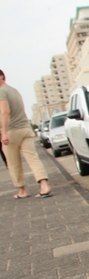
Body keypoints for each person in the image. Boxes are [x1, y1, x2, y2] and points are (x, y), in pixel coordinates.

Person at [0, 69, 52, 198]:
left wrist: (4, 132)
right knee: (33, 158)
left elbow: (5, 112)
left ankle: (22, 191)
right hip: (26, 129)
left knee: (13, 163)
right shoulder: (14, 90)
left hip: (11, 131)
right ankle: (44, 186)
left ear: (1, 76)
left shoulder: (1, 92)